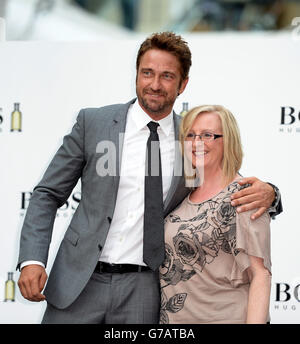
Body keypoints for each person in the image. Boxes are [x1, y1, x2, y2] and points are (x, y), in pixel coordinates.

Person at [17, 32, 281, 324]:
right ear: (137, 74)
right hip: (79, 280)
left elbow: (228, 185)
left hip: (144, 290)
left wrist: (272, 193)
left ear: (183, 84)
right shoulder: (93, 124)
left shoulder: (190, 138)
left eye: (167, 76)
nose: (155, 85)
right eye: (148, 73)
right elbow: (48, 193)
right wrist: (32, 259)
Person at [160, 105, 272, 324]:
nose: (197, 142)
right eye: (191, 135)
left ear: (227, 140)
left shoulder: (245, 195)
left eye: (208, 135)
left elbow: (261, 275)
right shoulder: (183, 194)